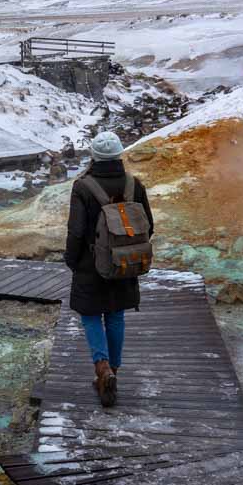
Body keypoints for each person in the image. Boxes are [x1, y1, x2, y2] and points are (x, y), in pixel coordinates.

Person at [62, 131, 153, 407]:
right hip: (124, 262)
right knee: (115, 315)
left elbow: (76, 231)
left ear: (94, 156)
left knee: (90, 315)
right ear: (119, 154)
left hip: (91, 264)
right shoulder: (133, 184)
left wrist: (72, 259)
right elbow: (148, 225)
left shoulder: (83, 186)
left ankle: (102, 368)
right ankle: (115, 369)